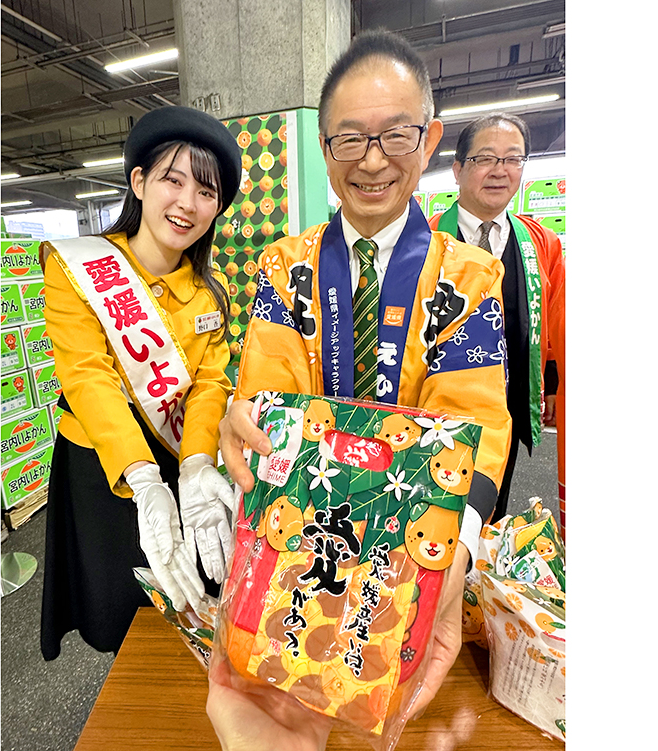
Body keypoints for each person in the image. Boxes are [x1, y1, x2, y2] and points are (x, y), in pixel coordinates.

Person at [211, 29, 512, 748]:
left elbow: (477, 433)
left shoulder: (468, 281)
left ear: (431, 138)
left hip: (411, 564)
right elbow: (269, 394)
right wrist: (240, 423)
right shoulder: (283, 271)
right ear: (324, 149)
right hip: (302, 559)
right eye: (350, 140)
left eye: (395, 135)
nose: (372, 161)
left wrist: (453, 559)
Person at [39, 106, 241, 660]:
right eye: (172, 181)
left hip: (181, 455)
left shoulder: (210, 289)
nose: (187, 203)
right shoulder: (80, 266)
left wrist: (197, 462)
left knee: (190, 594)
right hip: (106, 462)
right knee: (122, 609)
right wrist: (144, 477)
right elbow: (87, 376)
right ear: (139, 182)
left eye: (206, 191)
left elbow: (208, 382)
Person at [427, 113, 565, 521]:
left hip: (511, 396)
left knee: (495, 500)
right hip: (446, 399)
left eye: (513, 159)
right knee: (437, 505)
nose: (499, 171)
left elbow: (550, 322)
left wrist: (551, 386)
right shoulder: (428, 237)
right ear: (458, 169)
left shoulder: (541, 242)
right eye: (485, 158)